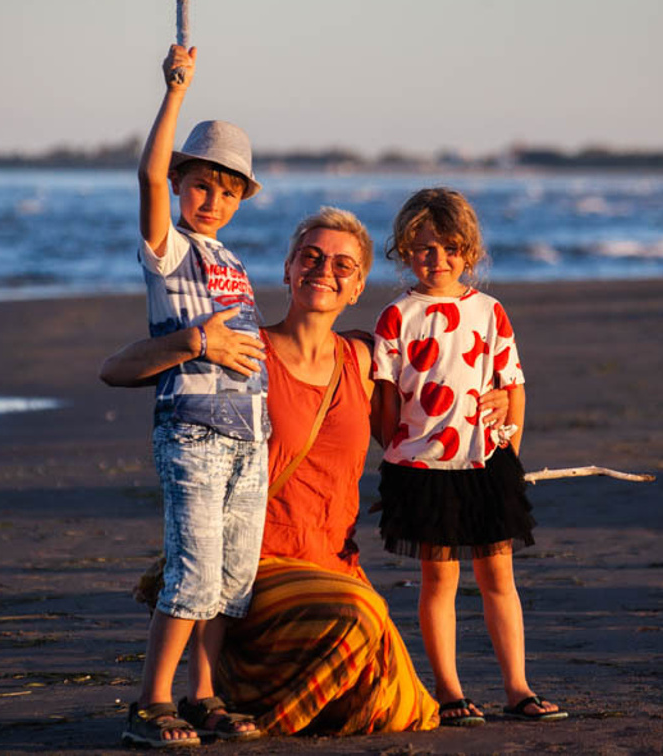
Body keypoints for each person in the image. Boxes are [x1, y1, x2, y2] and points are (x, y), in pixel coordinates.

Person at [101, 207, 513, 736]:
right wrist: (193, 343)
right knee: (359, 616)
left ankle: (253, 694)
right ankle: (224, 691)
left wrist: (496, 400)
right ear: (288, 269)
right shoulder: (245, 351)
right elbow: (114, 371)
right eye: (311, 257)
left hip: (336, 565)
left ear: (358, 286)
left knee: (404, 707)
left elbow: (424, 420)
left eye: (343, 265)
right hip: (257, 569)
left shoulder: (363, 359)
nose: (324, 271)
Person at [372, 187, 567, 726]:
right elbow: (383, 402)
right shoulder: (397, 316)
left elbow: (514, 385)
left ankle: (517, 687)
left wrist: (510, 458)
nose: (437, 259)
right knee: (439, 581)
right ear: (405, 250)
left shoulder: (489, 311)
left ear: (469, 253)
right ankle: (450, 691)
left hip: (486, 464)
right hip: (422, 469)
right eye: (424, 248)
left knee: (498, 578)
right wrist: (398, 453)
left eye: (450, 248)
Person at [120, 40, 267, 747]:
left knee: (233, 580)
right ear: (181, 185)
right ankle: (151, 703)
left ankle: (204, 695)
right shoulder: (169, 248)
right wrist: (175, 89)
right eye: (201, 186)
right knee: (193, 572)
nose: (212, 201)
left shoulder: (230, 257)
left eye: (228, 192)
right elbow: (147, 175)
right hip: (194, 430)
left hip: (249, 437)